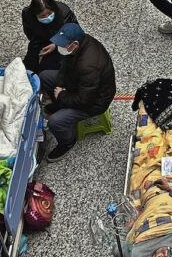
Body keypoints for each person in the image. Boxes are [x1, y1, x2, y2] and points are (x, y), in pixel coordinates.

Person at [39, 22, 115, 161]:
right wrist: (60, 86)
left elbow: (84, 100)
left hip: (94, 102)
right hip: (80, 84)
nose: (60, 48)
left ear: (74, 44)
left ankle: (67, 142)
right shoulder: (80, 44)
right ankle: (60, 105)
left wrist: (61, 95)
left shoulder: (89, 65)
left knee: (55, 122)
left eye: (63, 45)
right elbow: (65, 65)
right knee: (45, 76)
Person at [21, 0, 77, 74]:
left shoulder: (64, 12)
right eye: (42, 16)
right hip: (40, 38)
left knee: (56, 66)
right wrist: (40, 46)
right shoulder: (28, 14)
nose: (47, 17)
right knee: (30, 63)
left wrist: (56, 43)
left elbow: (73, 31)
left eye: (50, 13)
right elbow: (30, 33)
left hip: (63, 40)